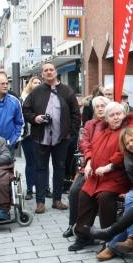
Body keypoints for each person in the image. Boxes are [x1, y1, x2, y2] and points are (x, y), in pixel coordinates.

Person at [68, 102, 133, 251]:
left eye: (119, 114)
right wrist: (90, 161)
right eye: (112, 115)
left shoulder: (129, 129)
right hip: (97, 176)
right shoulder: (103, 131)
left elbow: (126, 151)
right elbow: (90, 147)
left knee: (105, 197)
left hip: (117, 176)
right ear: (106, 118)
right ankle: (83, 235)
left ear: (124, 115)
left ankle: (109, 239)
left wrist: (110, 165)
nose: (116, 117)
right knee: (84, 194)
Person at [21, 62, 80, 214]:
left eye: (51, 69)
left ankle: (57, 200)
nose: (48, 72)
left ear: (56, 72)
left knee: (59, 168)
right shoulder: (36, 92)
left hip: (62, 138)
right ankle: (40, 202)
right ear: (42, 74)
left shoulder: (67, 91)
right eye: (45, 70)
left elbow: (76, 113)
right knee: (41, 168)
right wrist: (35, 118)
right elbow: (26, 110)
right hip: (41, 137)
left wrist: (71, 133)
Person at [96, 127, 133, 261]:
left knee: (131, 200)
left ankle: (116, 245)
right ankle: (132, 239)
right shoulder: (128, 159)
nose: (131, 144)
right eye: (127, 143)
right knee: (131, 197)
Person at [63, 95, 110, 239]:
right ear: (94, 109)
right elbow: (84, 143)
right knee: (74, 191)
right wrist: (89, 159)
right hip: (89, 167)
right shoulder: (90, 124)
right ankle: (73, 224)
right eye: (97, 106)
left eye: (103, 105)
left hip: (107, 169)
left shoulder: (112, 123)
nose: (100, 109)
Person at [19, 76, 42, 199]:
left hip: (41, 133)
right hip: (27, 134)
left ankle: (43, 188)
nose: (37, 84)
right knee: (30, 162)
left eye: (39, 82)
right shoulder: (22, 98)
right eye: (35, 82)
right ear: (30, 84)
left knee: (41, 162)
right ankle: (29, 188)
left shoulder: (45, 96)